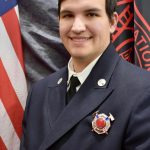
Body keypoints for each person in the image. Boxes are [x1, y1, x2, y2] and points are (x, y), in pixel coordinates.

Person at [20, 0, 150, 149]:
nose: (77, 27)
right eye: (68, 15)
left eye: (91, 14)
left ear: (113, 22)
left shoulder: (143, 92)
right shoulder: (39, 93)